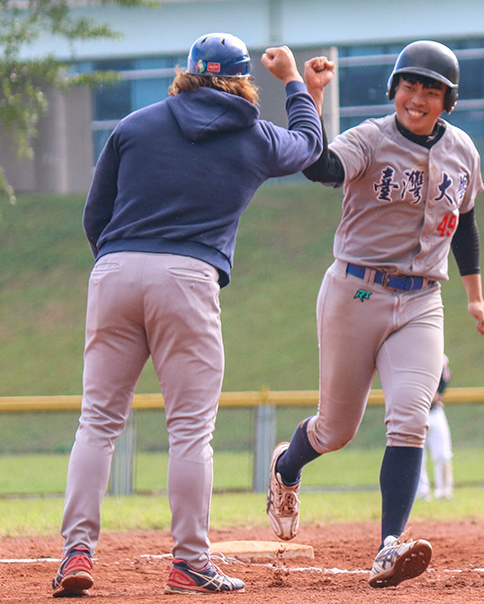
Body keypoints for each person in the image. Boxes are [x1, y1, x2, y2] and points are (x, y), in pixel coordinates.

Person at [53, 33, 322, 597]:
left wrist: (119, 261)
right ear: (241, 81)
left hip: (116, 269)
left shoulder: (136, 124)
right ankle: (190, 563)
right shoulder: (253, 136)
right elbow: (309, 146)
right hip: (188, 277)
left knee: (98, 422)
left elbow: (94, 212)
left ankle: (76, 552)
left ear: (188, 73)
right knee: (190, 433)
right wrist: (298, 83)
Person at [266, 40, 484, 589]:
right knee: (336, 429)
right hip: (355, 293)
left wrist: (474, 294)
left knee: (411, 419)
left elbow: (463, 221)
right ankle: (286, 467)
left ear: (449, 100)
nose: (417, 98)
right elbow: (319, 168)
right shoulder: (370, 138)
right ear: (394, 89)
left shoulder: (463, 150)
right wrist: (307, 92)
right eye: (409, 86)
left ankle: (388, 546)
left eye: (431, 90)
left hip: (422, 300)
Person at [416, 355, 454, 501]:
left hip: (435, 412)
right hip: (415, 412)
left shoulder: (440, 357)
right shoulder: (409, 353)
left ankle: (444, 492)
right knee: (416, 455)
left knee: (443, 455)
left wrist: (437, 394)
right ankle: (421, 493)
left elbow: (445, 379)